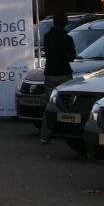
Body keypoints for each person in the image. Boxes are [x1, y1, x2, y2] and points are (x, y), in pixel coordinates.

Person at [39, 12, 76, 143]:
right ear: (66, 24)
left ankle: (45, 135)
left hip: (50, 73)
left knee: (49, 106)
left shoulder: (47, 37)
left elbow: (48, 53)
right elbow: (71, 56)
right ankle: (69, 134)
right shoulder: (68, 39)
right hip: (64, 73)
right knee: (67, 106)